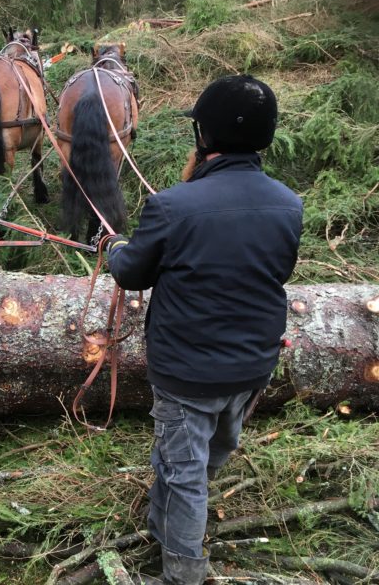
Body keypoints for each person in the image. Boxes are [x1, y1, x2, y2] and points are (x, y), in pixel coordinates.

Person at [106, 75, 303, 584]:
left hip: (186, 371)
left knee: (185, 471)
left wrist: (113, 248)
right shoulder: (289, 204)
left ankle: (183, 573)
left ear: (205, 137)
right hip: (253, 364)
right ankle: (164, 520)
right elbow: (275, 271)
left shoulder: (173, 206)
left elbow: (132, 273)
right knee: (208, 452)